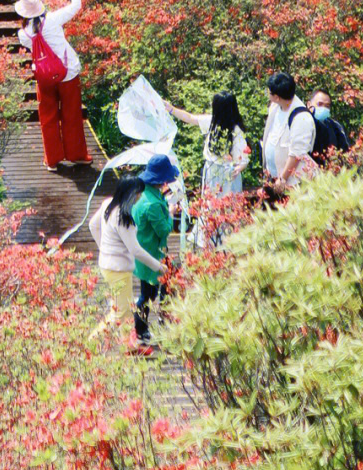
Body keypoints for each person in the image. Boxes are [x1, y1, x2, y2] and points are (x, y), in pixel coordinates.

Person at [15, 0, 89, 171]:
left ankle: (52, 160)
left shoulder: (23, 34)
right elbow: (76, 5)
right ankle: (77, 155)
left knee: (47, 117)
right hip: (68, 72)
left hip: (44, 77)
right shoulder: (54, 19)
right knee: (71, 114)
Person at [89, 178, 166, 341]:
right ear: (133, 195)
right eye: (138, 194)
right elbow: (136, 250)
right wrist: (159, 267)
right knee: (120, 313)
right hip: (119, 271)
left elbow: (93, 225)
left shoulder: (108, 204)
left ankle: (128, 345)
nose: (139, 197)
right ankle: (91, 342)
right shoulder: (125, 219)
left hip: (106, 266)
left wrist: (104, 248)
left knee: (122, 308)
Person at [132, 154, 180, 349]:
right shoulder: (152, 205)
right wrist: (170, 213)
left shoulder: (145, 196)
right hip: (152, 257)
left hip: (147, 253)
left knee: (163, 287)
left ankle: (160, 321)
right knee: (148, 295)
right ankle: (142, 330)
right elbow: (164, 229)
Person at [163, 91, 250, 195]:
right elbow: (190, 118)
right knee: (211, 205)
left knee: (227, 206)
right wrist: (171, 108)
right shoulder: (212, 121)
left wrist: (237, 169)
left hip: (228, 174)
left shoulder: (236, 130)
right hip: (211, 170)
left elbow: (244, 159)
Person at [261, 71, 318, 188]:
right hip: (272, 176)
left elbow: (297, 154)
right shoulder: (275, 107)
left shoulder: (301, 117)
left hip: (292, 182)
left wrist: (283, 179)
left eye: (269, 92)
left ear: (276, 97)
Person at [308, 89, 351, 161]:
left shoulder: (335, 127)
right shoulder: (302, 123)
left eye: (327, 106)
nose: (323, 108)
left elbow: (344, 152)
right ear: (309, 104)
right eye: (320, 104)